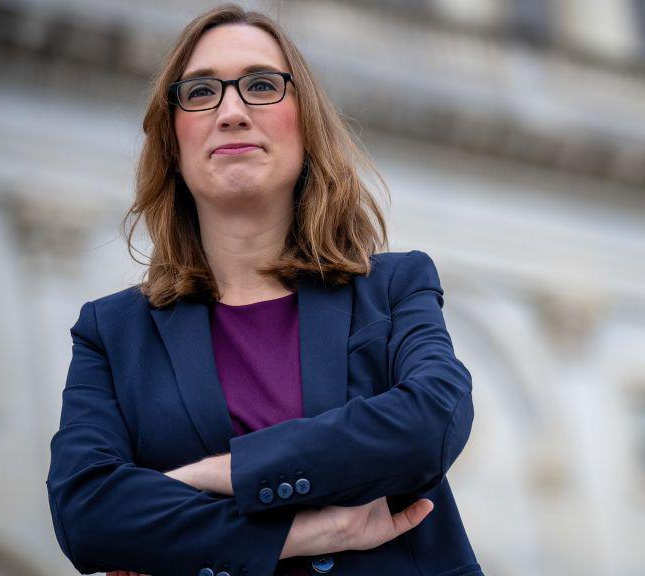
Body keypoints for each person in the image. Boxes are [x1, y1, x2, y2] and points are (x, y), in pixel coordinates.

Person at [44, 4, 480, 576]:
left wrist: (222, 474)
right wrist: (295, 534)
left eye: (261, 85)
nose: (231, 111)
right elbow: (86, 512)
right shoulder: (112, 333)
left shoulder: (394, 287)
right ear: (173, 142)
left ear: (306, 123)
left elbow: (431, 422)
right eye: (200, 92)